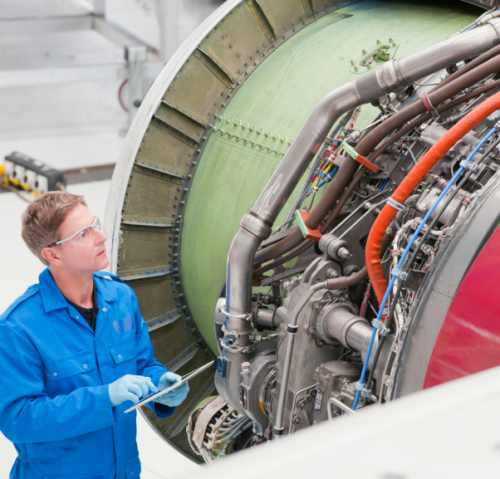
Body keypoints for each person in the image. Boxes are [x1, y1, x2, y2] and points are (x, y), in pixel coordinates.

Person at [0, 192, 189, 479]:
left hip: (124, 471)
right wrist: (104, 398)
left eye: (95, 225)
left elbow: (141, 364)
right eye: (83, 234)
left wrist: (159, 386)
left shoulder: (120, 297)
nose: (102, 237)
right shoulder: (19, 328)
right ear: (53, 255)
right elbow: (20, 419)